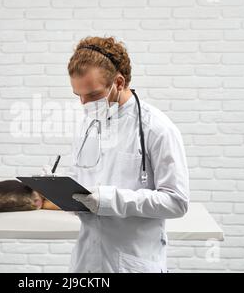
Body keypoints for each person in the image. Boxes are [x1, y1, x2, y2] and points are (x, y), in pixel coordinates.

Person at [65, 36, 190, 273]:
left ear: (119, 82)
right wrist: (66, 195)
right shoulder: (88, 124)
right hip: (87, 263)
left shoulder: (157, 128)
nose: (83, 103)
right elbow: (85, 187)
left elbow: (177, 202)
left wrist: (109, 200)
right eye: (77, 95)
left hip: (132, 262)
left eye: (91, 95)